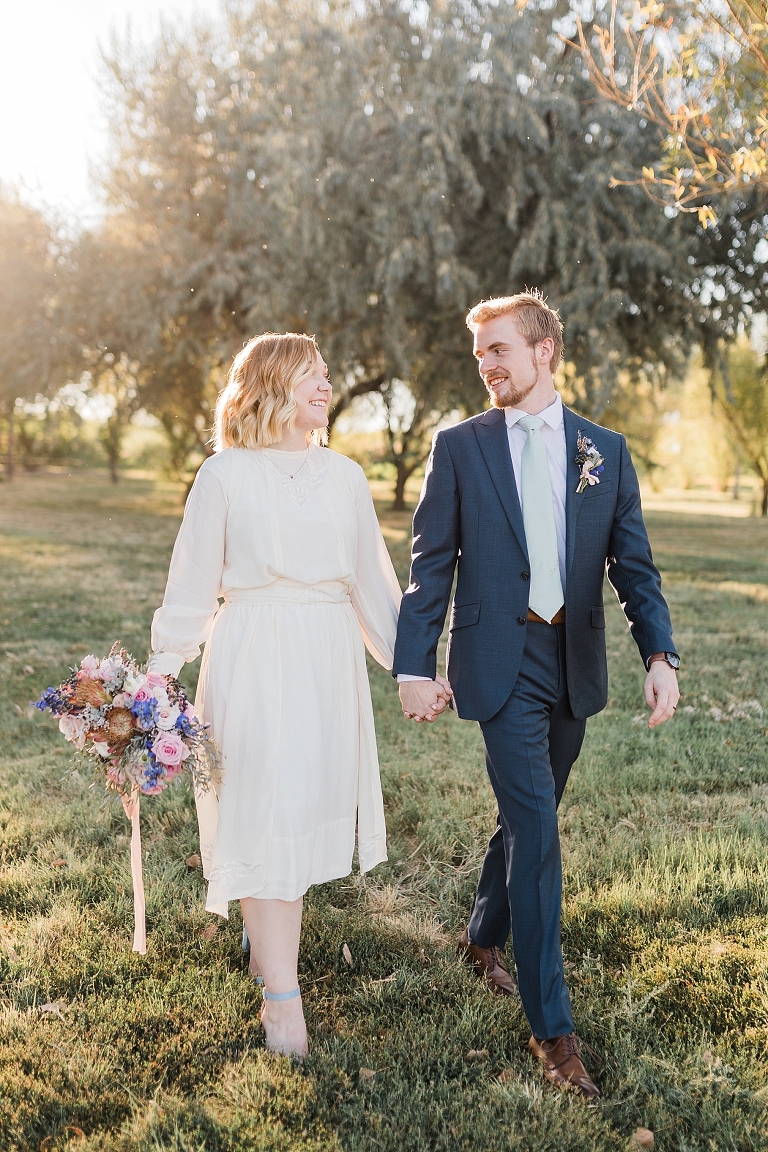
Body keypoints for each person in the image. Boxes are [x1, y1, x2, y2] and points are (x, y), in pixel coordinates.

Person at [393, 290, 680, 1098]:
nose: (486, 365)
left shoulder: (604, 452)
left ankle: (481, 935)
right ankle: (554, 1034)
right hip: (497, 658)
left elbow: (634, 567)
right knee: (539, 832)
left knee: (531, 810)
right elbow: (429, 568)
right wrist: (415, 664)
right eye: (479, 353)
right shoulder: (460, 448)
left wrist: (659, 653)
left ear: (544, 350)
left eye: (499, 350)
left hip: (573, 659)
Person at [149, 332, 401, 1057]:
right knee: (259, 807)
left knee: (301, 805)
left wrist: (412, 667)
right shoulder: (223, 475)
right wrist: (160, 679)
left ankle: (268, 949)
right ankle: (282, 1001)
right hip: (252, 652)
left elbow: (371, 585)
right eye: (310, 376)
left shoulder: (347, 476)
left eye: (326, 375)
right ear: (269, 386)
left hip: (325, 657)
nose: (326, 386)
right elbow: (192, 584)